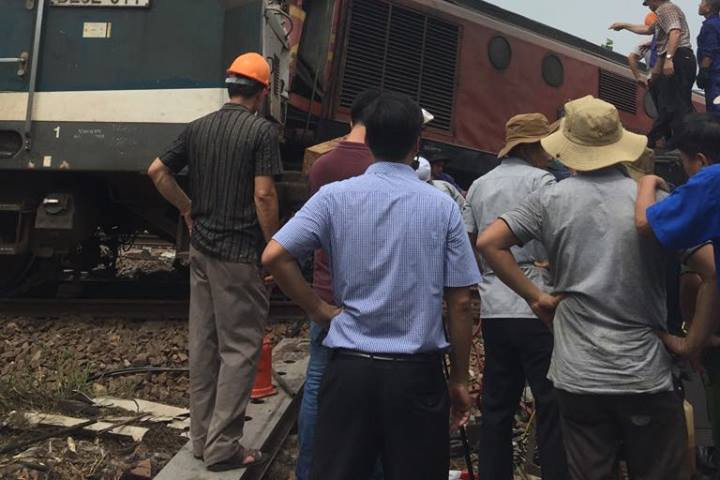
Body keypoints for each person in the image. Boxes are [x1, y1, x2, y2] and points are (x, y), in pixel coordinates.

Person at [262, 91, 481, 480]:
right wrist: (460, 378)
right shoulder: (442, 206)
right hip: (417, 377)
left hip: (350, 372)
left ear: (369, 140)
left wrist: (319, 310)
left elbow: (275, 256)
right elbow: (460, 303)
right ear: (416, 143)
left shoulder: (334, 197)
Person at [477, 95, 692, 480]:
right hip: (643, 372)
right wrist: (692, 342)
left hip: (578, 375)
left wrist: (536, 297)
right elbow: (707, 269)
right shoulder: (653, 200)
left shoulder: (550, 197)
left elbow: (489, 242)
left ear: (569, 146)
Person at [147, 52, 283, 472]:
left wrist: (187, 208)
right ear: (261, 93)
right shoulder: (260, 132)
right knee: (239, 348)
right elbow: (264, 195)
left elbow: (157, 171)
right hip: (239, 254)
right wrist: (274, 248)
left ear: (230, 87)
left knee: (204, 345)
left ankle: (202, 439)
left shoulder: (199, 127)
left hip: (202, 251)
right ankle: (223, 448)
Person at [463, 113, 568, 480]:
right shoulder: (543, 181)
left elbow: (472, 242)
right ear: (530, 147)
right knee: (550, 404)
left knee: (496, 406)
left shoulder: (479, 185)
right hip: (539, 304)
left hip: (495, 308)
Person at [295, 88, 380, 480]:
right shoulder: (380, 165)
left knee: (316, 381)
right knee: (372, 389)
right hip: (373, 295)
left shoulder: (322, 166)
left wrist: (316, 305)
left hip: (327, 293)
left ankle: (308, 469)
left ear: (350, 119)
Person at [635, 113, 720, 363]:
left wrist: (647, 182)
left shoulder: (712, 179)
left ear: (701, 161)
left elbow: (645, 224)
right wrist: (693, 344)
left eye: (684, 162)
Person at [610, 0, 696, 147]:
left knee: (674, 104)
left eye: (647, 2)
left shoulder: (666, 9)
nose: (647, 6)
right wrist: (624, 25)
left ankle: (656, 140)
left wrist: (669, 59)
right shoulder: (664, 14)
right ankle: (668, 140)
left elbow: (675, 32)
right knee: (676, 104)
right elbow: (648, 30)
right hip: (681, 57)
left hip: (679, 56)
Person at [697, 0, 720, 115]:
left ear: (708, 8)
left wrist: (703, 71)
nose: (699, 5)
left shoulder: (710, 26)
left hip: (714, 75)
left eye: (702, 3)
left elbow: (709, 51)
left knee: (715, 110)